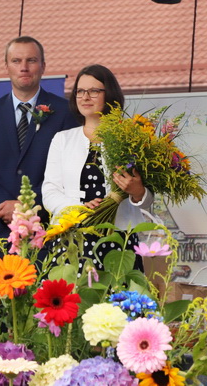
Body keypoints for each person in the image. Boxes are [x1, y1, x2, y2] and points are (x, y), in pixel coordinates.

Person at [0, 36, 77, 267]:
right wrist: (4, 206)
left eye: (31, 60)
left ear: (43, 66)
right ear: (6, 66)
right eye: (16, 61)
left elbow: (70, 174)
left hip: (46, 235)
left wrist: (25, 207)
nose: (23, 67)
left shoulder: (66, 112)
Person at [42, 64, 153, 274]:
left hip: (118, 239)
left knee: (118, 294)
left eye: (94, 91)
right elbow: (49, 191)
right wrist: (78, 208)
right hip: (72, 237)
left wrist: (138, 191)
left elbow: (147, 200)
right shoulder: (62, 139)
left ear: (109, 94)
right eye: (80, 91)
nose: (85, 97)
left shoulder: (129, 139)